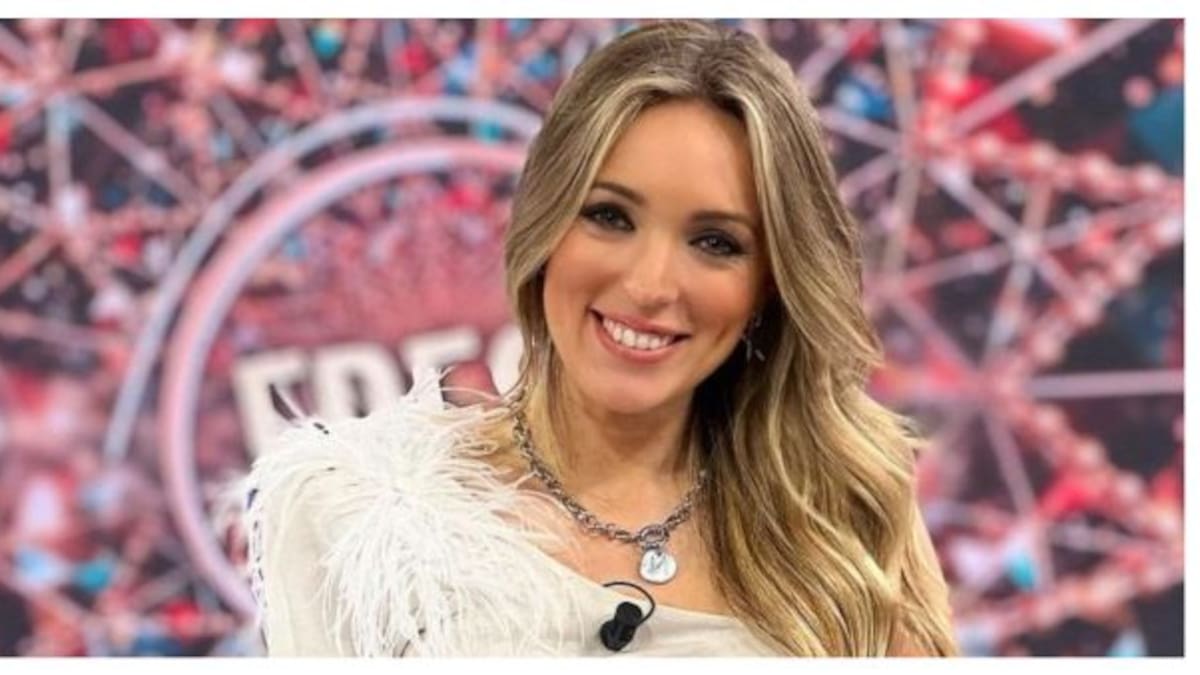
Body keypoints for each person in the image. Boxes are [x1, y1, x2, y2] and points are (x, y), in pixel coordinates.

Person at [238, 19, 958, 656]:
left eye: (715, 242)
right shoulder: (350, 512)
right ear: (545, 223)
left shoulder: (842, 513)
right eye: (610, 217)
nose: (650, 284)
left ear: (769, 284)